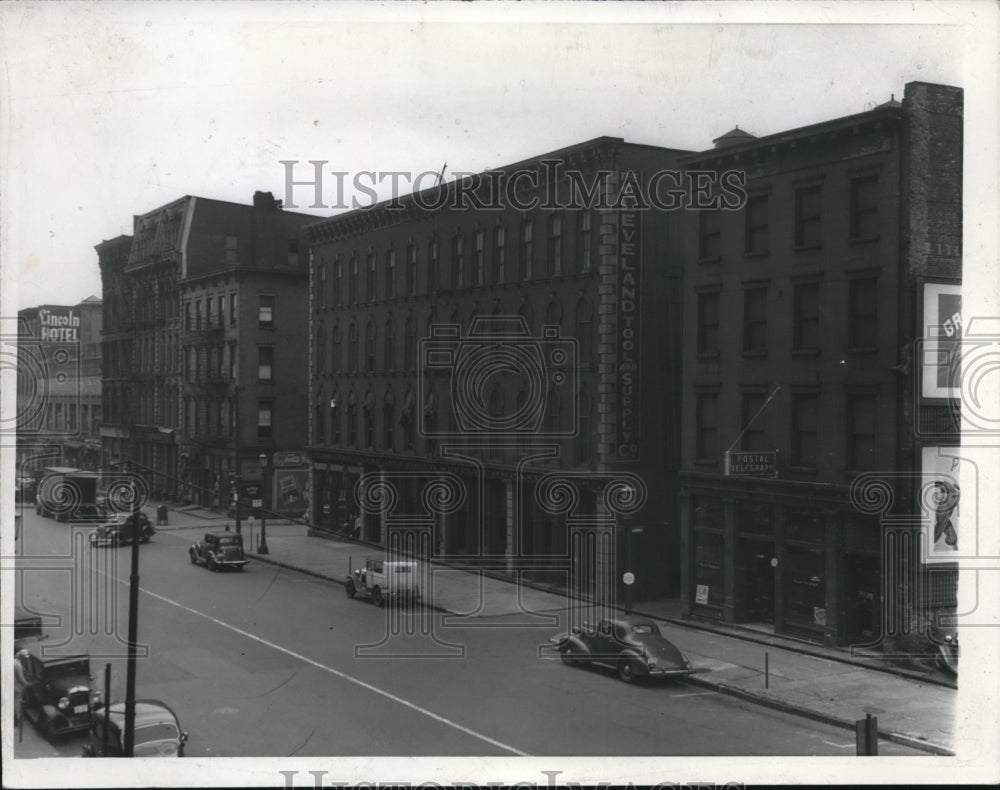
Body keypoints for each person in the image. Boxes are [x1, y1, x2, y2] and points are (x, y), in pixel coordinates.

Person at [14, 649, 29, 727]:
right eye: (24, 657)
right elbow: (20, 678)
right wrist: (27, 684)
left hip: (13, 686)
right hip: (16, 687)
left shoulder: (14, 661)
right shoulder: (18, 665)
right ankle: (17, 720)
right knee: (17, 704)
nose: (25, 659)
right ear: (21, 657)